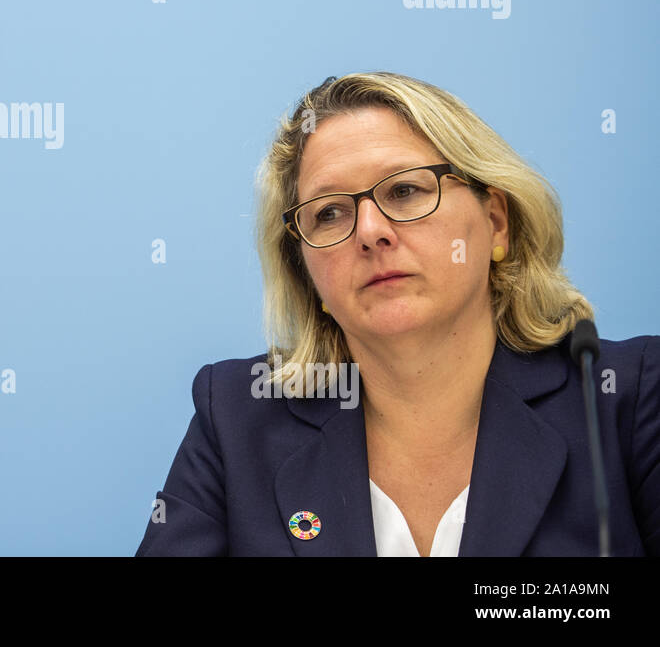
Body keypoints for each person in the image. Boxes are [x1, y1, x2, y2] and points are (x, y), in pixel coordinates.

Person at [136, 72, 658, 556]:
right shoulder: (236, 416)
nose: (369, 232)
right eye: (330, 213)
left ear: (495, 222)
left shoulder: (624, 399)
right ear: (306, 270)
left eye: (405, 190)